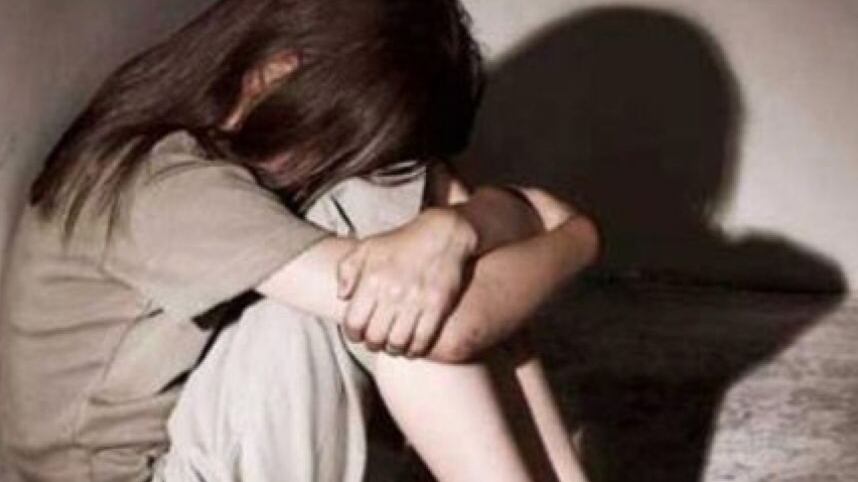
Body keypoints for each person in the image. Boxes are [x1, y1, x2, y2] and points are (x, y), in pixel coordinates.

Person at [0, 0, 599, 481]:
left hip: (180, 444)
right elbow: (449, 328)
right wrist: (575, 238)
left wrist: (458, 226)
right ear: (275, 75)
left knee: (404, 247)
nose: (335, 166)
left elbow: (447, 227)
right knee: (385, 278)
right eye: (341, 144)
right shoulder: (166, 189)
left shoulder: (187, 137)